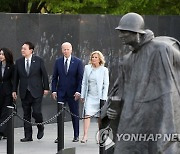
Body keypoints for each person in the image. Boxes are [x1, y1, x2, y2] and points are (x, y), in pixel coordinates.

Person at [105, 12, 180, 153]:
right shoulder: (126, 60)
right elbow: (120, 90)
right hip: (132, 117)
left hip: (157, 114)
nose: (120, 35)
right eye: (120, 32)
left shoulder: (161, 49)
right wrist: (114, 108)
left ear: (136, 33)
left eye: (124, 32)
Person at [12, 41, 49, 142]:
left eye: (24, 48)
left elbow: (44, 75)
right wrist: (14, 90)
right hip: (24, 91)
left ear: (31, 50)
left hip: (37, 90)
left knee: (36, 112)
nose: (22, 50)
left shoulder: (39, 60)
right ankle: (28, 136)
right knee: (26, 114)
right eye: (22, 48)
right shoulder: (19, 62)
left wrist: (46, 88)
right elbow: (16, 78)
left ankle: (40, 126)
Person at [51, 42, 84, 142]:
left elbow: (80, 78)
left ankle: (76, 135)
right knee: (60, 115)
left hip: (73, 93)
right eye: (64, 49)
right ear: (62, 50)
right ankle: (60, 136)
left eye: (67, 49)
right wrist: (54, 90)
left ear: (71, 50)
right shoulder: (58, 61)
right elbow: (54, 77)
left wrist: (78, 91)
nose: (66, 51)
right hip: (61, 92)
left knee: (74, 114)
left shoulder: (77, 62)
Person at [80, 51, 109, 143]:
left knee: (99, 117)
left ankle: (100, 136)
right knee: (87, 115)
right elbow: (84, 82)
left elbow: (106, 84)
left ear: (100, 59)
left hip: (99, 97)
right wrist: (82, 95)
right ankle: (85, 136)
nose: (93, 59)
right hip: (90, 96)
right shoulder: (87, 68)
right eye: (92, 57)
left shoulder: (104, 70)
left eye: (96, 57)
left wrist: (103, 98)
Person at [0, 48, 14, 140]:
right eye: (0, 54)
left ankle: (2, 132)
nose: (1, 56)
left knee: (5, 112)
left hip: (7, 92)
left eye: (2, 54)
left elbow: (14, 80)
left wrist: (14, 91)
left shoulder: (12, 66)